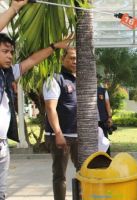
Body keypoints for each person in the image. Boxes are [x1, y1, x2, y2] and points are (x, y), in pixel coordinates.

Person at [0, 2, 73, 199]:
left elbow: (31, 61)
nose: (10, 56)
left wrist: (54, 46)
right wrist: (14, 8)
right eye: (5, 52)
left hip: (2, 146)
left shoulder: (8, 73)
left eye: (11, 52)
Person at [43, 47, 77, 200]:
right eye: (71, 58)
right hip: (60, 136)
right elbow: (50, 108)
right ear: (62, 59)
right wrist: (58, 134)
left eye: (76, 58)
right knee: (59, 175)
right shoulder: (54, 79)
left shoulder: (79, 79)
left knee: (84, 171)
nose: (75, 61)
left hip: (78, 135)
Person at [97, 84, 112, 154]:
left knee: (105, 141)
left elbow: (107, 104)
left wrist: (109, 118)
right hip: (90, 121)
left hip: (103, 121)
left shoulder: (103, 91)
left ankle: (107, 159)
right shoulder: (85, 90)